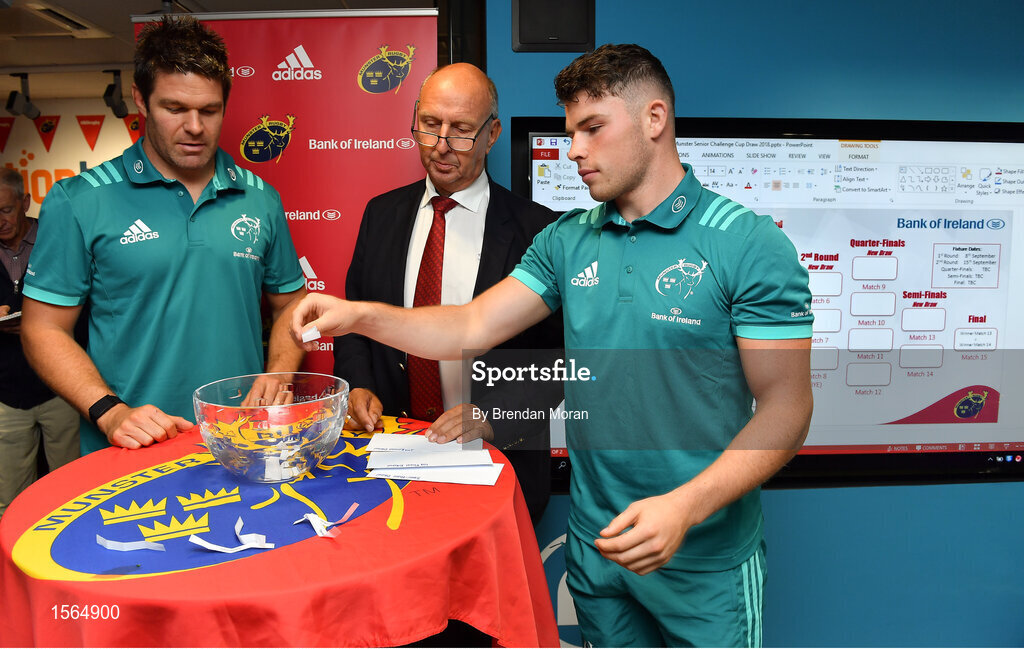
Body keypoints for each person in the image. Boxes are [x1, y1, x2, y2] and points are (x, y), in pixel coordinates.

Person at [291, 44, 813, 647]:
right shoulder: (568, 238)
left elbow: (786, 409)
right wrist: (359, 315)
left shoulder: (747, 245)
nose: (575, 152)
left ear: (654, 118)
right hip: (598, 548)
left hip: (702, 555)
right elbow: (469, 326)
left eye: (593, 129)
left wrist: (686, 507)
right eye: (571, 133)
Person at [20, 15, 306, 454]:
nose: (195, 126)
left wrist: (278, 375)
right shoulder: (79, 200)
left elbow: (291, 305)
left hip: (242, 441)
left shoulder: (260, 198)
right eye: (175, 108)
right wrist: (110, 411)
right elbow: (43, 330)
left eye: (209, 111)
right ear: (140, 99)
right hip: (129, 447)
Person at [335, 62, 563, 522]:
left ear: (492, 133)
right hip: (391, 462)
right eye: (429, 125)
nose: (440, 146)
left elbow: (559, 359)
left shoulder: (540, 230)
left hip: (496, 464)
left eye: (460, 131)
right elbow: (356, 320)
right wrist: (357, 384)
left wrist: (495, 416)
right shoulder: (381, 214)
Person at [0, 169, 80, 518]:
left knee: (75, 492)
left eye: (5, 209)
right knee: (10, 501)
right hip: (5, 397)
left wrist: (40, 324)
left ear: (25, 202)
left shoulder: (58, 239)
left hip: (63, 388)